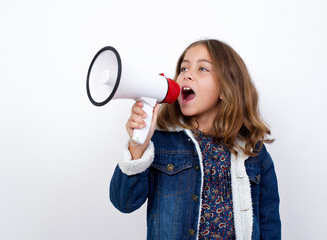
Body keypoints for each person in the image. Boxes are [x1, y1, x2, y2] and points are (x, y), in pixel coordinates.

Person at [109, 39, 281, 240]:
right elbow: (124, 202)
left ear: (226, 89)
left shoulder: (254, 152)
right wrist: (137, 147)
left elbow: (269, 223)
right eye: (183, 68)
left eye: (202, 69)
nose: (187, 74)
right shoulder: (161, 143)